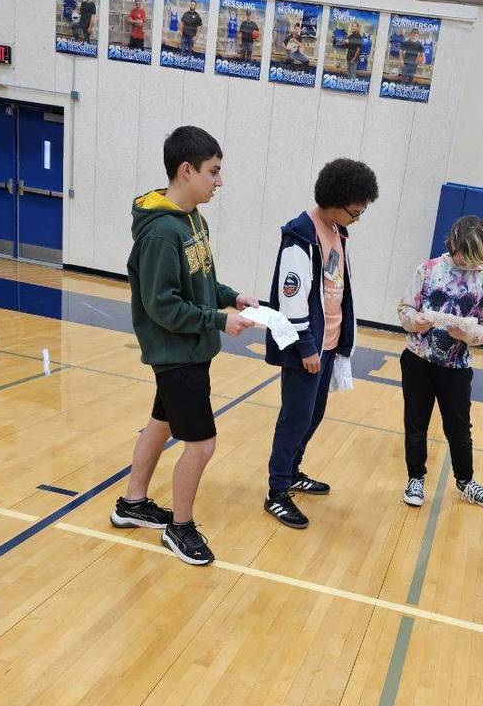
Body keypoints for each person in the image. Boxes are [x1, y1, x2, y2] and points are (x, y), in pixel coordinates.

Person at [110, 126, 258, 565]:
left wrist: (231, 298)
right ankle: (180, 528)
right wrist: (218, 320)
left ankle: (132, 503)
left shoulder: (194, 220)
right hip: (175, 354)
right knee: (202, 445)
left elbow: (202, 282)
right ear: (187, 170)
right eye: (214, 171)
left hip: (191, 349)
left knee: (160, 424)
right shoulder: (161, 234)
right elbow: (162, 305)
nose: (219, 181)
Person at [263, 158, 379, 528]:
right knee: (295, 418)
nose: (357, 219)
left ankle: (292, 471)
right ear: (335, 201)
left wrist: (336, 343)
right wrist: (307, 346)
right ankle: (277, 491)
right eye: (355, 212)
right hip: (306, 347)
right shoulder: (301, 236)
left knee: (314, 414)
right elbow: (292, 298)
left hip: (328, 344)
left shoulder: (337, 231)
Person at [397, 216, 483, 511]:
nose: (467, 262)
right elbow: (405, 309)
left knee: (459, 428)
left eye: (474, 256)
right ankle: (415, 478)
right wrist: (416, 321)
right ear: (453, 242)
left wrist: (469, 335)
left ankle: (466, 481)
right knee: (416, 422)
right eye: (463, 254)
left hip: (457, 368)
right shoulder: (427, 270)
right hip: (418, 360)